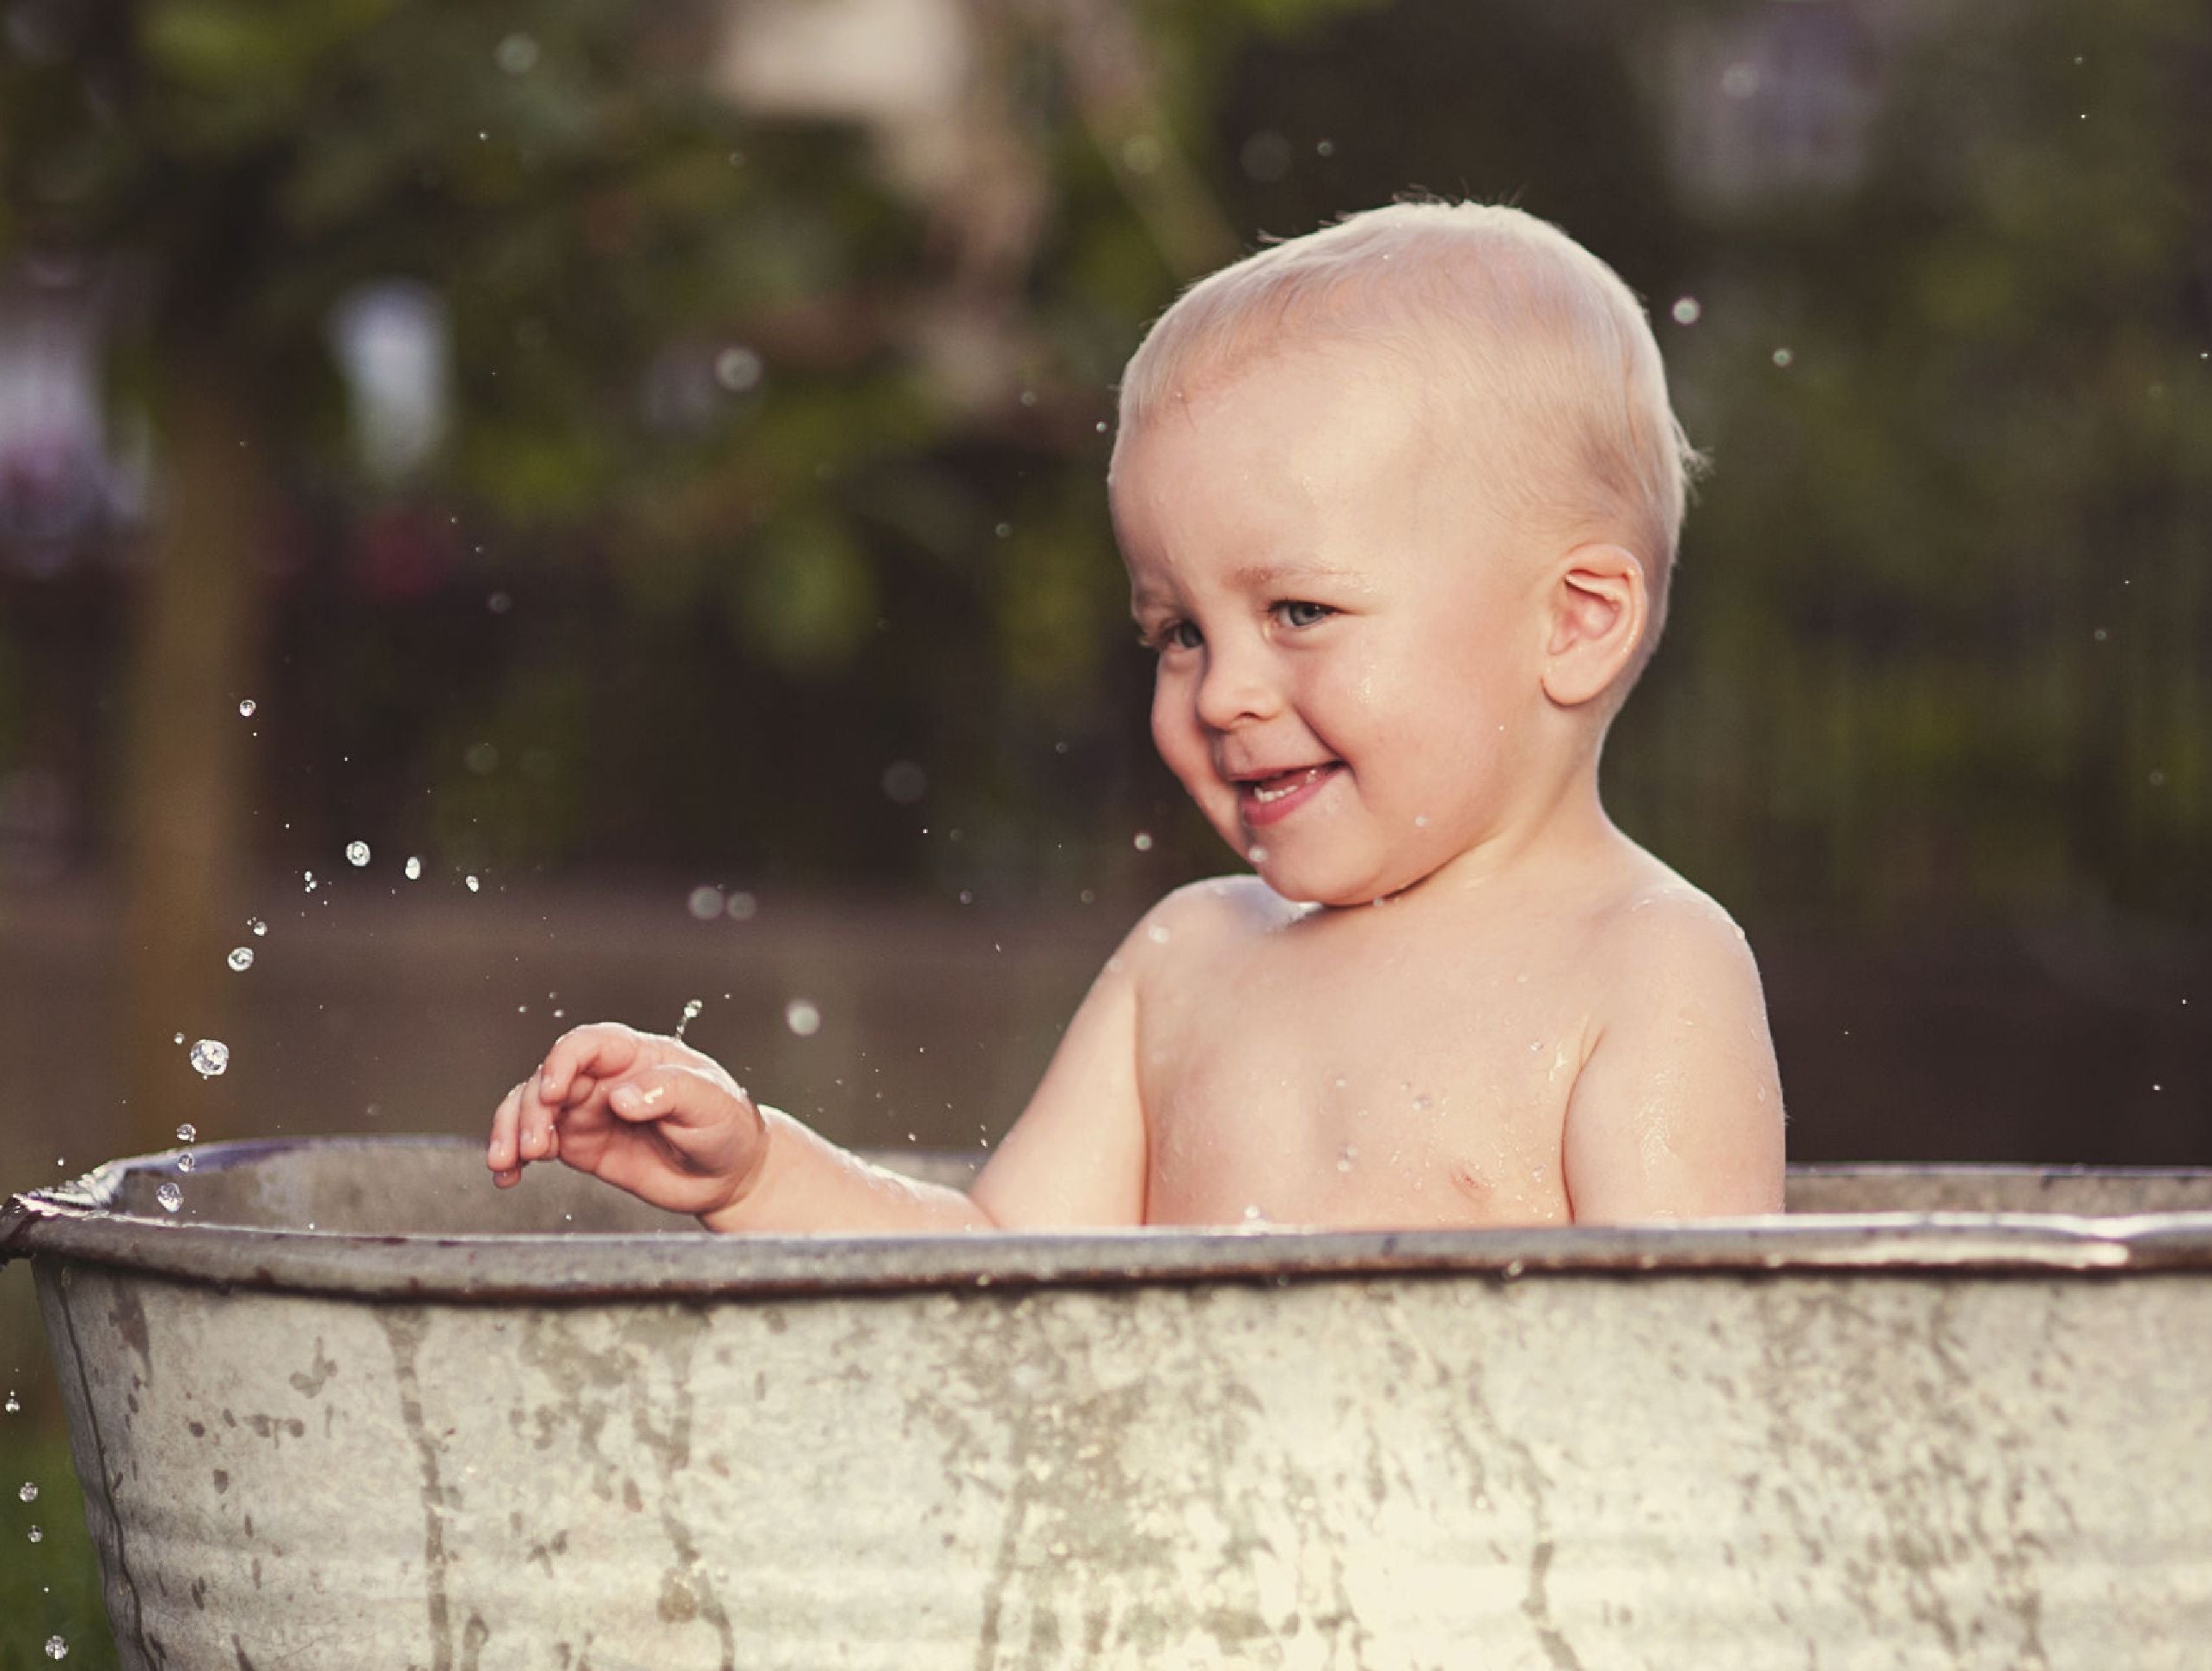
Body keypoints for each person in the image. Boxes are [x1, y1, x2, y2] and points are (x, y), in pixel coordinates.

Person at [487, 199, 1784, 1229]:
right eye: (1177, 633)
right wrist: (762, 1177)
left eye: (1298, 612)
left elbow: (1674, 1393)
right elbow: (999, 1287)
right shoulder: (1188, 964)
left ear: (1574, 621)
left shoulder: (1645, 967)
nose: (1221, 692)